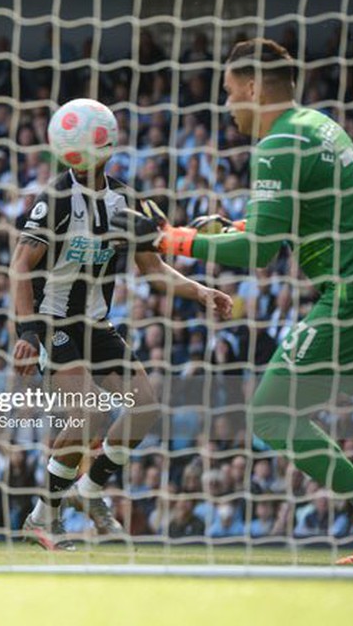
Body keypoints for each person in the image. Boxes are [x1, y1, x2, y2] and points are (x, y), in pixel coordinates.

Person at [123, 38, 353, 565]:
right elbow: (301, 217)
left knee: (271, 413)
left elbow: (260, 252)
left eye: (228, 92)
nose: (227, 105)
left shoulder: (280, 143)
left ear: (250, 86)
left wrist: (172, 241)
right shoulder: (318, 125)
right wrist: (237, 224)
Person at [13, 99, 232, 550]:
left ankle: (90, 493)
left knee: (145, 406)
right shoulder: (54, 199)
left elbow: (154, 271)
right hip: (55, 322)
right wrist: (27, 335)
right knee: (89, 411)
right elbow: (20, 266)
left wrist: (201, 291)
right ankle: (44, 517)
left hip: (96, 324)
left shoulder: (126, 203)